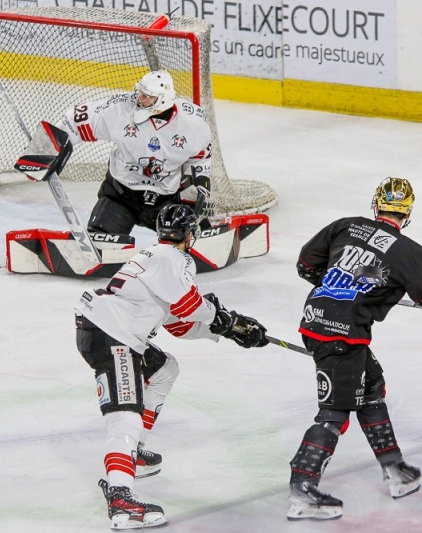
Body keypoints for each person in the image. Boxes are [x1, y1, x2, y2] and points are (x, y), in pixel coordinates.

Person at [286, 177, 422, 521]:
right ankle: (302, 490)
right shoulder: (410, 253)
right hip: (341, 338)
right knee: (334, 414)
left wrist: (347, 285)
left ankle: (395, 471)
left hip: (315, 321)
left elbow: (306, 266)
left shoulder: (346, 226)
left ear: (376, 205)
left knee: (371, 387)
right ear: (408, 211)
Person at [74, 203, 268, 530]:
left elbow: (179, 323)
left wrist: (225, 331)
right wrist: (225, 319)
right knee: (124, 419)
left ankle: (132, 455)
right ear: (190, 234)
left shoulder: (154, 258)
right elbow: (190, 305)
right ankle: (121, 499)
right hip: (113, 335)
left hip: (105, 327)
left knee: (164, 369)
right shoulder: (175, 259)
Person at [56, 69, 214, 238]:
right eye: (141, 93)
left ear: (164, 100)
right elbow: (76, 119)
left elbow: (200, 158)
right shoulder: (121, 109)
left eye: (148, 96)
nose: (140, 99)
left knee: (195, 240)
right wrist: (49, 149)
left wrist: (200, 187)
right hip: (121, 196)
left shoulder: (193, 123)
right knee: (101, 240)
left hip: (165, 201)